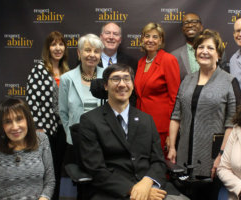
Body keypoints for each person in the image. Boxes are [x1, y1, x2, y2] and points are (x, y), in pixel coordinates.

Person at [78, 63, 189, 200]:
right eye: (115, 79)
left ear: (132, 85)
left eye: (126, 79)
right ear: (106, 86)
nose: (122, 84)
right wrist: (133, 190)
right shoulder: (90, 120)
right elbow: (97, 170)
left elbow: (158, 161)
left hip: (149, 186)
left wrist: (147, 183)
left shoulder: (146, 119)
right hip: (113, 191)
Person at [167, 29, 241, 199]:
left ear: (218, 54)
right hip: (183, 156)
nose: (204, 51)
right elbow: (175, 115)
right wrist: (172, 147)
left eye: (210, 48)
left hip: (213, 158)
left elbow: (233, 123)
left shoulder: (229, 81)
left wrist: (222, 156)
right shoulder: (187, 80)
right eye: (200, 47)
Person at [26, 31, 69, 200]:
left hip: (62, 130)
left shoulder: (67, 71)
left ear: (65, 47)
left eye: (60, 44)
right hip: (44, 130)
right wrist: (38, 128)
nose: (57, 48)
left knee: (57, 169)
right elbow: (32, 101)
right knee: (44, 171)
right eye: (53, 44)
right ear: (48, 48)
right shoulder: (39, 70)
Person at [0, 98, 55, 199]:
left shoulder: (42, 140)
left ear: (27, 119)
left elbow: (49, 182)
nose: (15, 127)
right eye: (8, 121)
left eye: (19, 119)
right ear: (1, 126)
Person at [135, 22, 180, 154]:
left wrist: (170, 134)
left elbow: (175, 98)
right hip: (141, 126)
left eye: (155, 37)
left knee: (160, 168)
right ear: (142, 39)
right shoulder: (141, 62)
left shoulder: (168, 60)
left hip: (161, 128)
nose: (150, 40)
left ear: (160, 41)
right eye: (147, 36)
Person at [59, 33, 104, 145]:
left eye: (96, 51)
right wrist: (70, 134)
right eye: (88, 50)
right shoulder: (67, 79)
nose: (92, 55)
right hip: (77, 140)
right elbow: (63, 112)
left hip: (102, 140)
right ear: (79, 53)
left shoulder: (107, 77)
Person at [171, 13, 203, 80]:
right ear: (182, 29)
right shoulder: (174, 56)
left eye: (194, 22)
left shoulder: (216, 52)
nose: (190, 25)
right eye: (186, 23)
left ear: (201, 27)